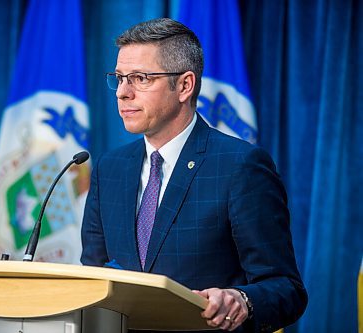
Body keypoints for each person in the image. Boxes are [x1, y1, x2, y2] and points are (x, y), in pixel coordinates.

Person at [81, 18, 307, 332]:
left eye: (140, 78)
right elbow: (93, 274)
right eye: (119, 78)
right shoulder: (110, 168)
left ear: (185, 85)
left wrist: (241, 299)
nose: (122, 93)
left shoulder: (240, 166)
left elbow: (286, 289)